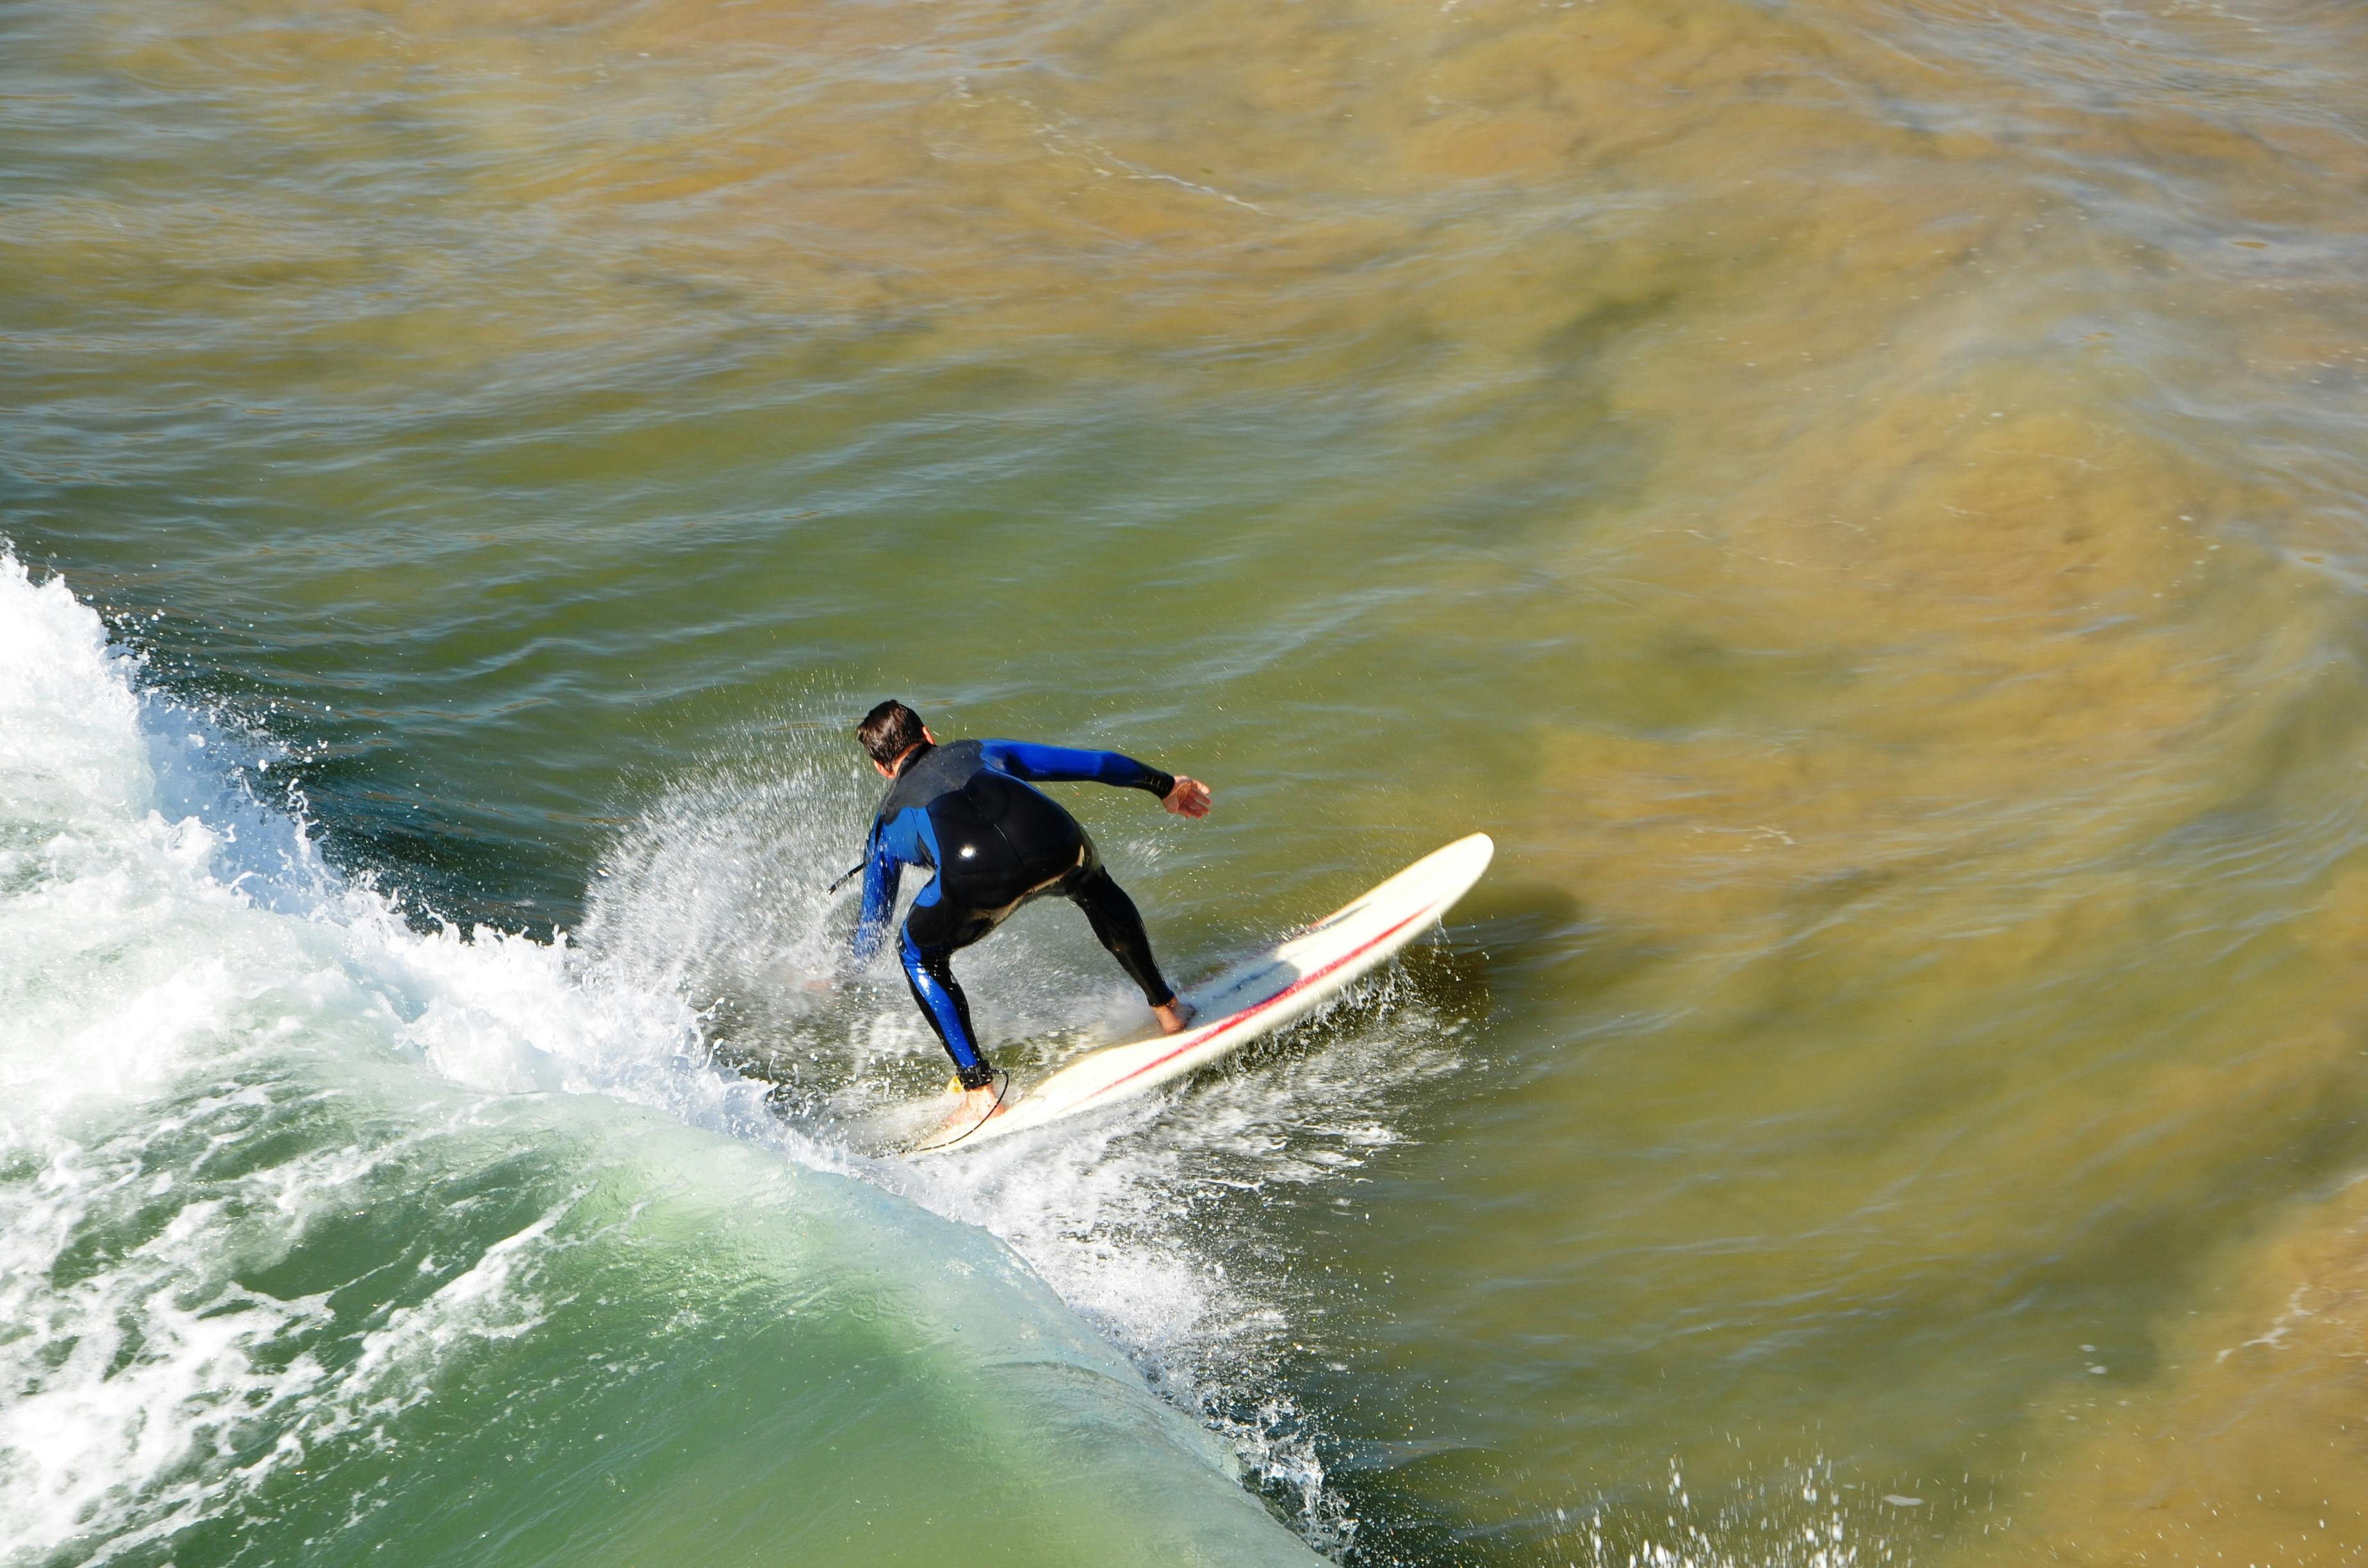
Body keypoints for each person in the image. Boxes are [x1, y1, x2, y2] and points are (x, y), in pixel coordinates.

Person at [850, 699, 1213, 1126]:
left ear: (882, 769)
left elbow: (873, 923)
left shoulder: (886, 821)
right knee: (1093, 885)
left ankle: (980, 1091)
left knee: (916, 954)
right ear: (928, 734)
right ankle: (1168, 1011)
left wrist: (848, 972)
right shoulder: (981, 749)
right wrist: (1165, 785)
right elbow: (1096, 763)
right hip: (1055, 842)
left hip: (978, 880)